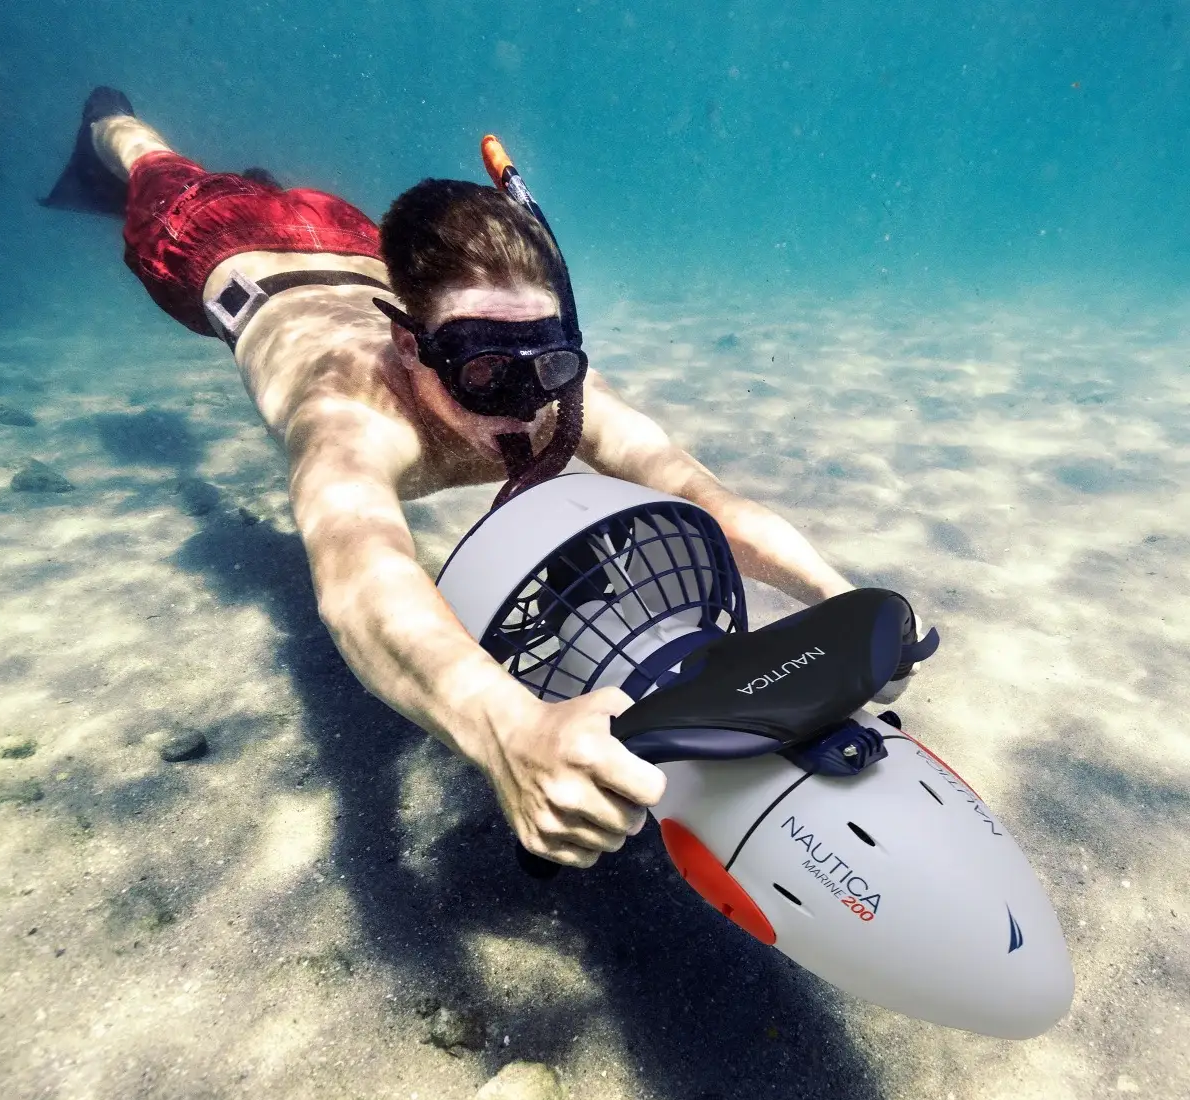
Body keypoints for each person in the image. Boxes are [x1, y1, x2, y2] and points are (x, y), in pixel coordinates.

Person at [43, 88, 896, 869]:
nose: (525, 410)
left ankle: (258, 186)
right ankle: (109, 119)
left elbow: (701, 495)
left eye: (548, 367)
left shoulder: (552, 388)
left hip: (345, 233)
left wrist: (844, 601)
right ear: (408, 345)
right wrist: (509, 732)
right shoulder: (346, 416)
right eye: (487, 374)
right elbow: (360, 585)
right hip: (214, 239)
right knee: (150, 158)